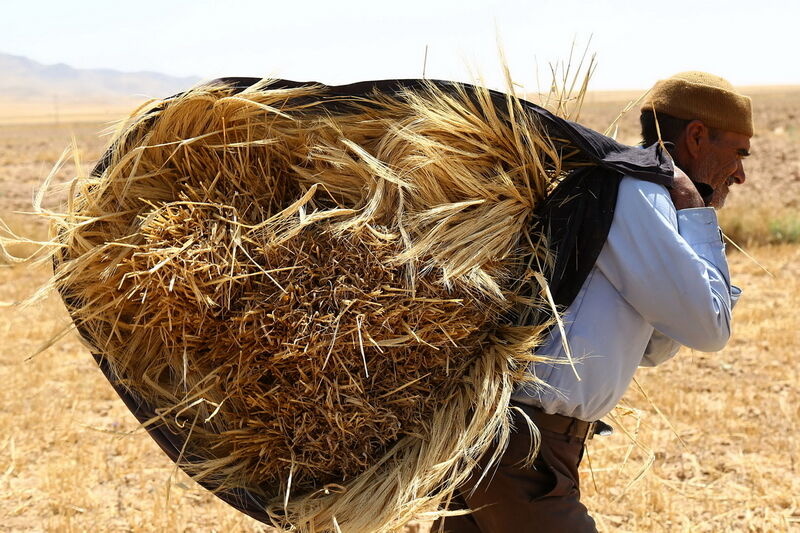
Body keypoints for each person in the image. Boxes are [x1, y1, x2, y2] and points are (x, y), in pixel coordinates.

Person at [433, 71, 752, 532]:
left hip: (520, 448)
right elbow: (710, 328)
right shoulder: (639, 194)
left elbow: (657, 347)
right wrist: (698, 216)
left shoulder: (635, 195)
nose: (741, 174)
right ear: (698, 137)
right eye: (738, 153)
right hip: (524, 454)